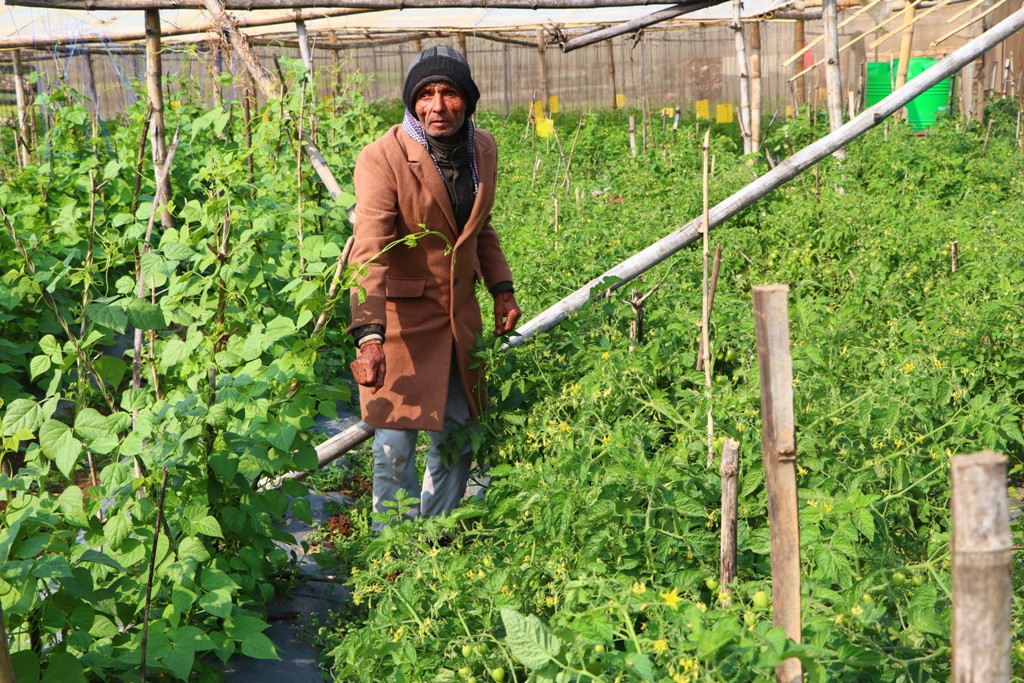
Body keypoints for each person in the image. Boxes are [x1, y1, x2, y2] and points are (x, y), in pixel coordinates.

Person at [347, 46, 522, 531]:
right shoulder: (382, 158)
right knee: (395, 448)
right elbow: (369, 252)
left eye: (449, 93)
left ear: (467, 101)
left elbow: (479, 228)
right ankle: (394, 550)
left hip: (460, 319)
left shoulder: (481, 148)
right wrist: (369, 334)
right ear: (412, 102)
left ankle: (437, 536)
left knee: (460, 434)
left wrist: (501, 288)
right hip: (401, 327)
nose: (437, 105)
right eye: (426, 94)